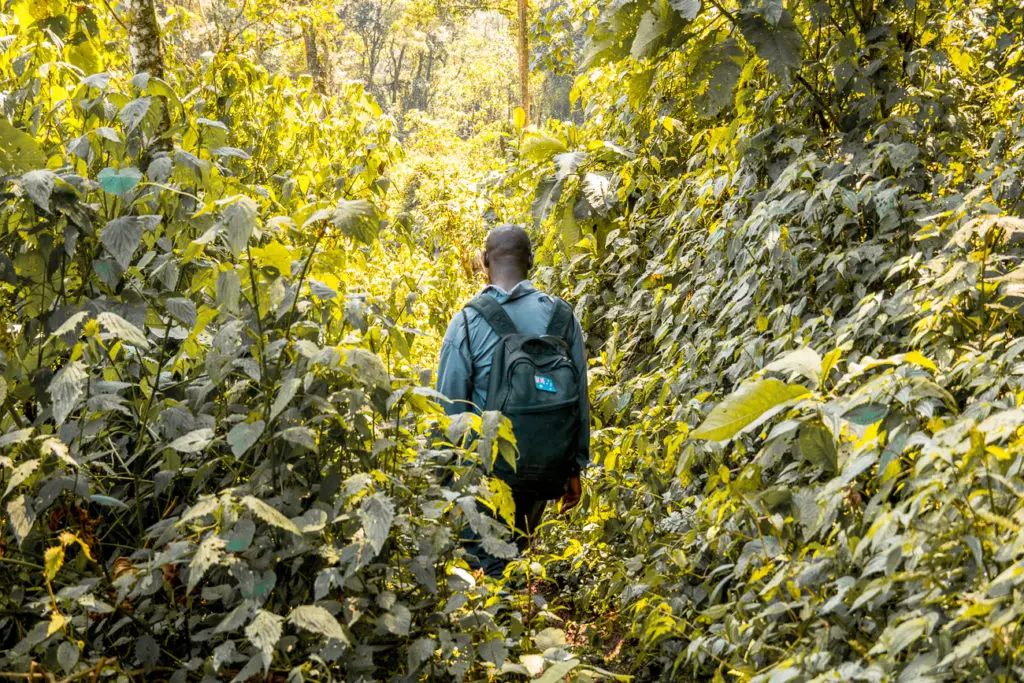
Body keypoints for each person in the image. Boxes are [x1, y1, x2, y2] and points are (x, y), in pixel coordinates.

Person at [436, 224, 589, 577]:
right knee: (515, 552)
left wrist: (442, 482)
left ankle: (503, 619)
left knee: (486, 566)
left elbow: (451, 409)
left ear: (485, 263)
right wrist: (574, 468)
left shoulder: (468, 321)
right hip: (544, 469)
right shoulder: (563, 318)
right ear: (531, 262)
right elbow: (579, 399)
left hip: (486, 474)